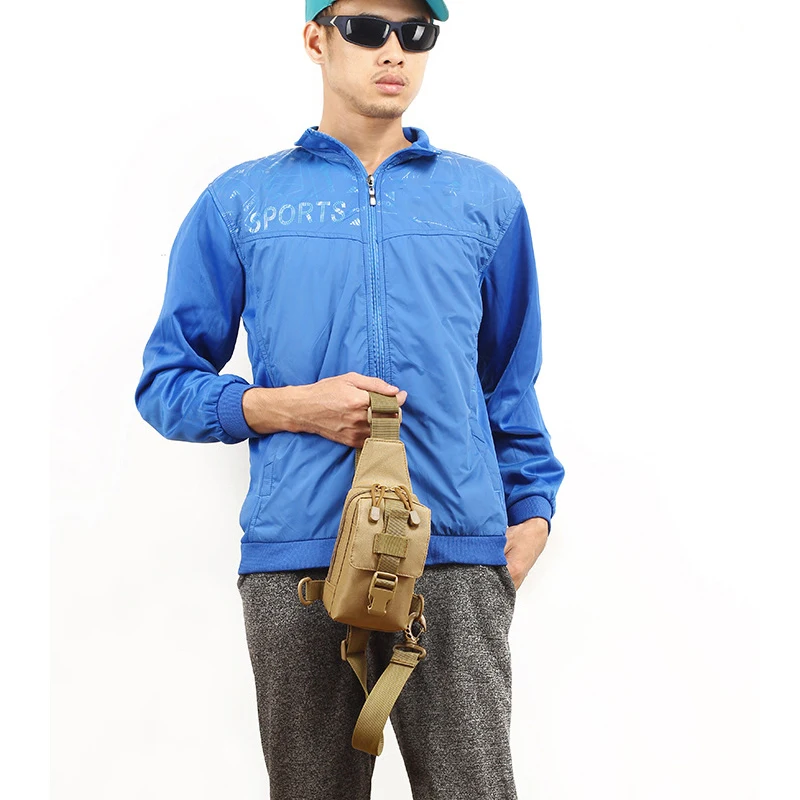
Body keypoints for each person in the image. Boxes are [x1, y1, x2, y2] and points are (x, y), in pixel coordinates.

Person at [134, 0, 565, 797]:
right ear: (316, 39)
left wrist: (533, 511)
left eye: (416, 34)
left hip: (454, 555)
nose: (393, 50)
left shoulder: (486, 202)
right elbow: (166, 384)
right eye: (368, 29)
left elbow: (510, 382)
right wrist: (290, 407)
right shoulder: (242, 202)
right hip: (299, 558)